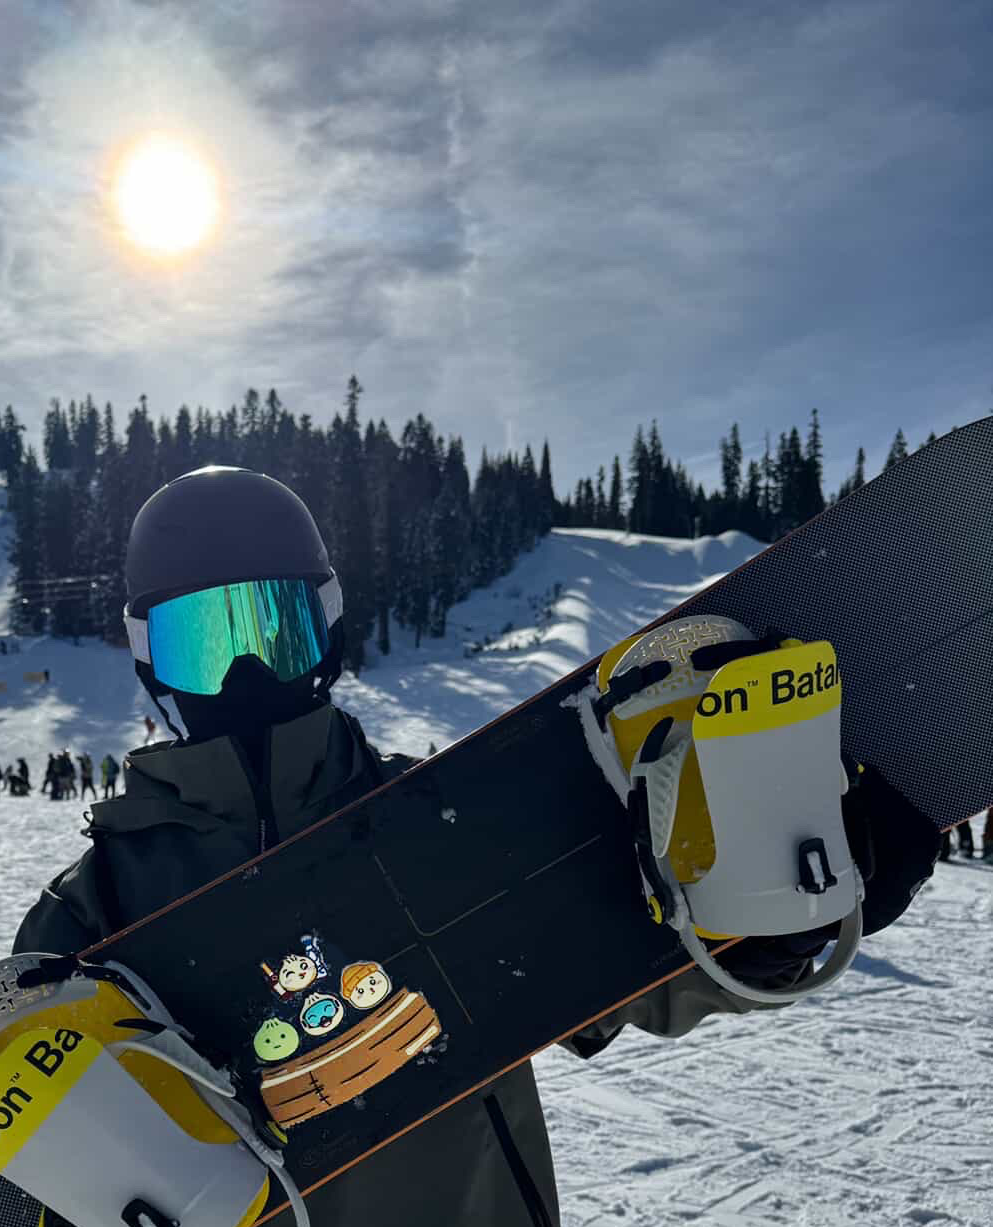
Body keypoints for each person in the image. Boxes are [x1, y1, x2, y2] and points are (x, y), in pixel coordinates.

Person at [13, 465, 942, 1228]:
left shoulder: (456, 815)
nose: (245, 671)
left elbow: (618, 965)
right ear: (147, 659)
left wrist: (768, 929)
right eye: (201, 644)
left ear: (326, 629)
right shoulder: (92, 911)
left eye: (271, 629)